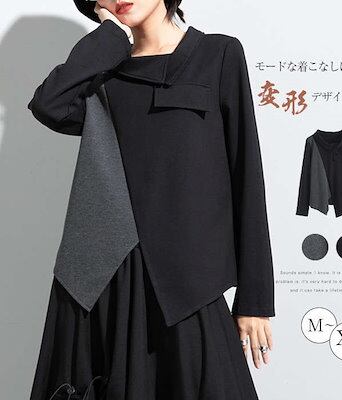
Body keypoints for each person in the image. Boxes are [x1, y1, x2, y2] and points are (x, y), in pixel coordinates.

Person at [27, 0, 276, 399]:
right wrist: (110, 37)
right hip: (104, 279)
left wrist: (255, 299)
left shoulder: (218, 54)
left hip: (189, 287)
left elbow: (246, 175)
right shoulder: (102, 73)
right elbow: (49, 105)